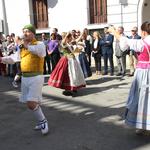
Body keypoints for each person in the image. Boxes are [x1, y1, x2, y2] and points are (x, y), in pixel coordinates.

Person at [0, 24, 49, 135]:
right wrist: (2, 59)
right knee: (31, 104)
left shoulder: (39, 44)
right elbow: (14, 59)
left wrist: (25, 45)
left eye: (27, 31)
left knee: (31, 103)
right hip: (25, 78)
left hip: (36, 77)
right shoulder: (22, 47)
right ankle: (41, 121)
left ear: (33, 33)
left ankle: (43, 121)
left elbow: (41, 53)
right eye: (24, 31)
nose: (25, 33)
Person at [109, 21, 150, 135]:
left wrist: (114, 32)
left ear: (143, 31)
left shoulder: (141, 43)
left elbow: (124, 41)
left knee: (141, 97)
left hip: (143, 72)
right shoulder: (141, 42)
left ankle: (142, 124)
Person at [48, 32, 86, 96]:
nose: (71, 38)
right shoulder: (64, 43)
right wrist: (67, 35)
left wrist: (82, 34)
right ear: (67, 37)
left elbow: (77, 40)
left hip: (72, 60)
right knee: (68, 75)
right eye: (70, 37)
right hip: (67, 60)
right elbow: (63, 41)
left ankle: (74, 87)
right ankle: (68, 89)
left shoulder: (70, 43)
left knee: (74, 74)